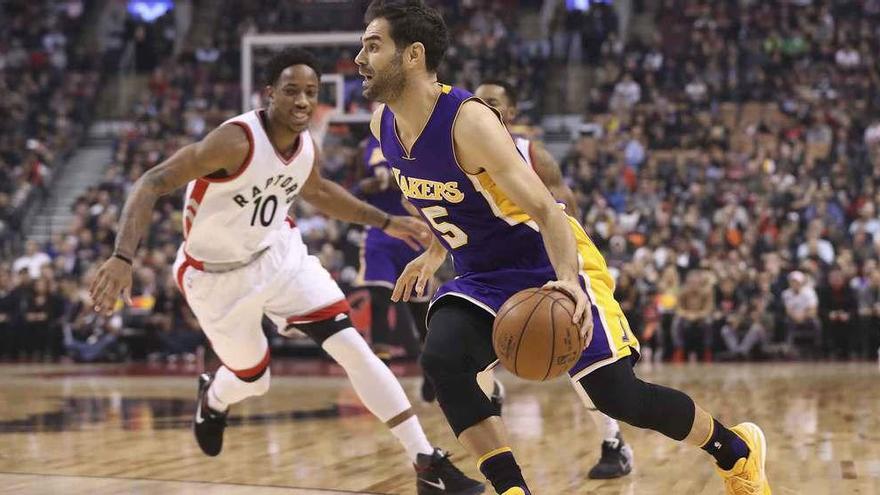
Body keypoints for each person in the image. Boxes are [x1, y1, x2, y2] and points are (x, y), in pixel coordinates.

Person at [355, 2, 770, 494]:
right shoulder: (383, 123)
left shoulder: (468, 122)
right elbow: (434, 198)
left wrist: (569, 281)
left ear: (413, 56)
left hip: (546, 261)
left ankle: (734, 450)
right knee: (442, 358)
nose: (360, 57)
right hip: (483, 277)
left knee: (619, 397)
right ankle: (513, 489)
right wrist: (433, 252)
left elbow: (549, 212)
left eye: (373, 45)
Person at [89, 47, 483, 495]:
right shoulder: (234, 141)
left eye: (311, 93)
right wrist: (122, 257)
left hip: (279, 255)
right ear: (269, 93)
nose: (302, 101)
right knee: (254, 380)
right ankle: (214, 397)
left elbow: (319, 192)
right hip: (217, 277)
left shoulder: (303, 148)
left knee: (354, 348)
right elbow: (151, 182)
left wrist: (387, 222)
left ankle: (425, 462)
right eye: (292, 90)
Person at [473, 79, 633, 480]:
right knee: (464, 349)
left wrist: (573, 273)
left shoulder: (533, 154)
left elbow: (567, 213)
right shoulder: (463, 153)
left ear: (510, 113)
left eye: (492, 103)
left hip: (542, 264)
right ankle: (489, 393)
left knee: (576, 358)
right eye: (478, 102)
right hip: (492, 266)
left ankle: (612, 440)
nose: (483, 109)